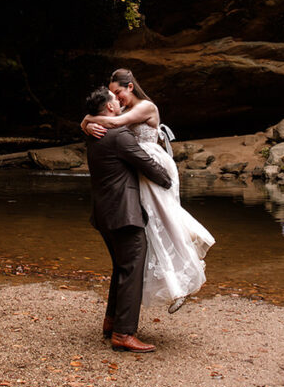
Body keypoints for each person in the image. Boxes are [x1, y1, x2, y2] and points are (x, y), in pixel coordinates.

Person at [82, 69, 215, 314]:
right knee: (151, 225)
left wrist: (86, 122)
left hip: (152, 164)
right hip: (136, 165)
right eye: (112, 94)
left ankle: (183, 271)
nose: (116, 97)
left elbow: (115, 122)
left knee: (163, 218)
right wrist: (87, 123)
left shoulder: (145, 107)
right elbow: (111, 120)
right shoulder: (121, 111)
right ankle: (171, 282)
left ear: (130, 87)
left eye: (118, 92)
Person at [84, 86, 173, 353]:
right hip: (125, 214)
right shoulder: (119, 135)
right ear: (110, 108)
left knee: (121, 267)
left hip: (104, 212)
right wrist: (167, 178)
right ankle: (124, 334)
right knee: (132, 269)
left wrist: (87, 122)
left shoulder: (94, 133)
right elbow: (146, 164)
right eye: (115, 99)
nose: (119, 101)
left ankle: (111, 322)